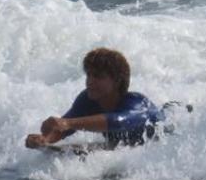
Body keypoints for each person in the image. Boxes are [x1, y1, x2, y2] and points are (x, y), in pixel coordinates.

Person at [25, 47, 163, 150]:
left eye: (98, 76)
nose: (90, 81)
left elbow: (118, 122)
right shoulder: (88, 100)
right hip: (129, 145)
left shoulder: (136, 103)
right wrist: (44, 139)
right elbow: (64, 128)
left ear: (117, 81)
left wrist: (68, 123)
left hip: (167, 136)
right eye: (89, 75)